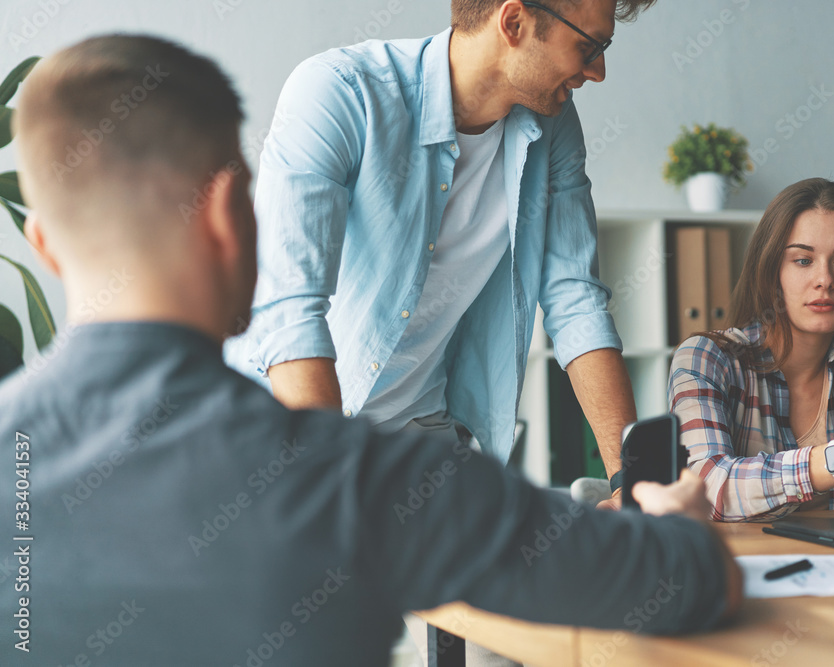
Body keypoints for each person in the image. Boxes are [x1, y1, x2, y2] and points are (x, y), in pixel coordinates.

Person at [0, 34, 741, 666]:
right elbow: (683, 581)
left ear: (46, 248)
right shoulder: (378, 482)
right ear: (231, 213)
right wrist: (673, 516)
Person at [224, 0, 655, 507]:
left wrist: (632, 484)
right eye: (589, 47)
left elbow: (576, 298)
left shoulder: (551, 126)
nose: (597, 72)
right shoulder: (341, 91)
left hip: (418, 444)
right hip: (284, 438)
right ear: (513, 23)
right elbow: (289, 310)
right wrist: (328, 492)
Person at [667, 178, 834, 523]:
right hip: (743, 572)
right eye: (803, 260)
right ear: (770, 270)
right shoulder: (706, 358)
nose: (825, 279)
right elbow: (708, 489)